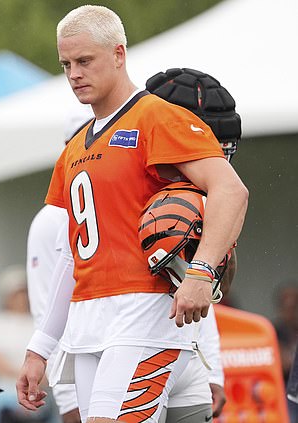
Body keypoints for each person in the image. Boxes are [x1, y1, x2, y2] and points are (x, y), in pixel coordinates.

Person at [16, 6, 248, 423]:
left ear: (119, 54)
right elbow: (73, 255)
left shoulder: (157, 116)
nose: (74, 74)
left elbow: (231, 190)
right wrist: (40, 347)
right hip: (90, 324)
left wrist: (200, 272)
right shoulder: (73, 149)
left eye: (84, 61)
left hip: (145, 317)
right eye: (66, 64)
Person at [146, 67, 244, 422]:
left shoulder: (207, 196)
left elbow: (209, 290)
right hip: (130, 348)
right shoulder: (126, 185)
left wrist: (212, 369)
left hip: (185, 354)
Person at [0, 265, 51, 423]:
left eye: (25, 293)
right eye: (17, 294)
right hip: (4, 390)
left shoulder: (39, 323)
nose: (22, 298)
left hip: (38, 391)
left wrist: (34, 385)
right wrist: (25, 378)